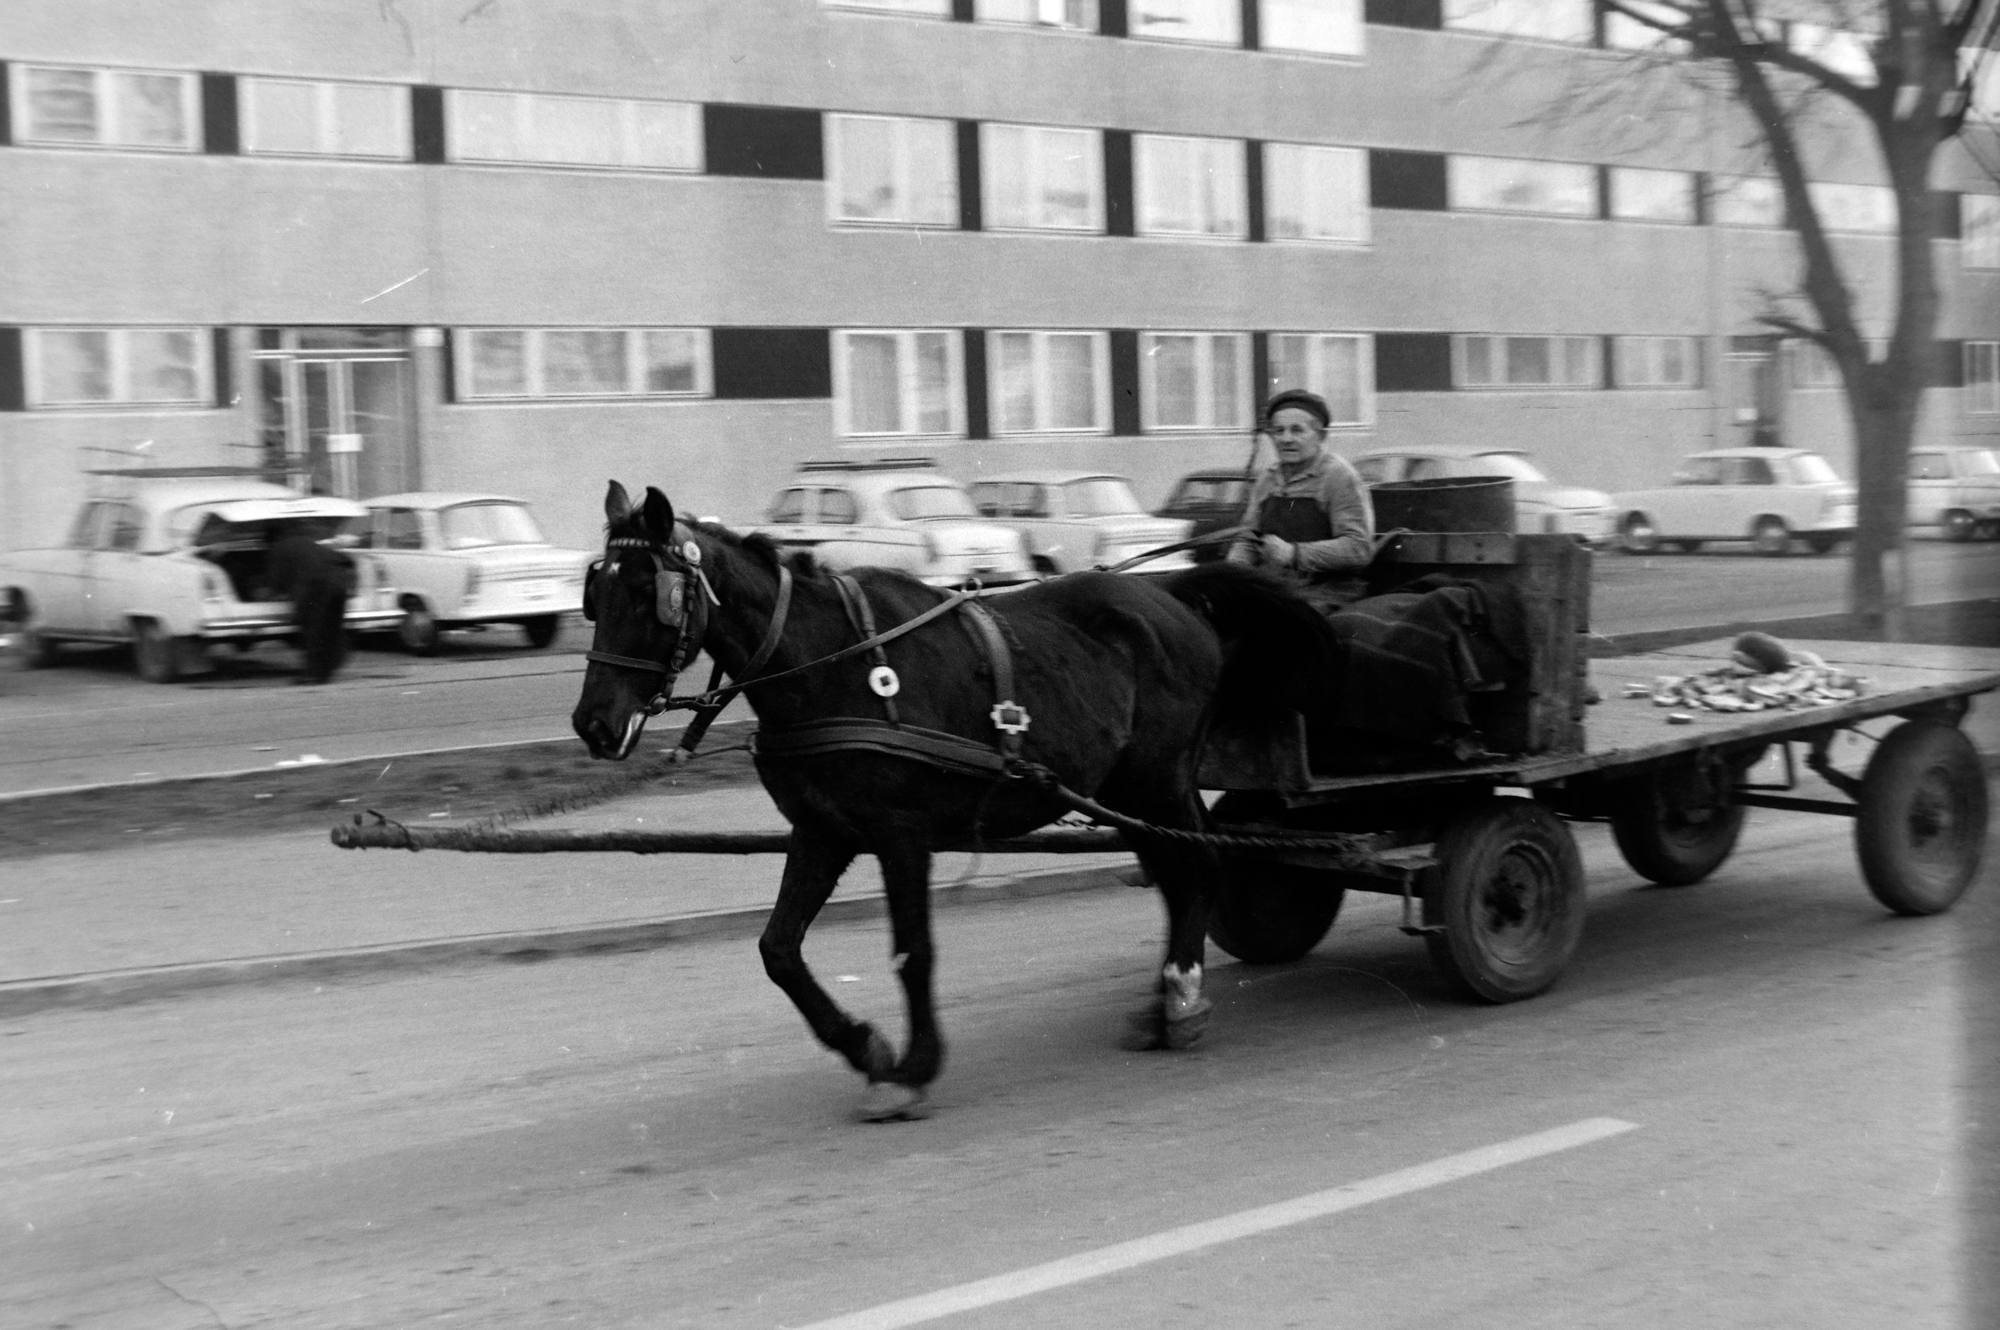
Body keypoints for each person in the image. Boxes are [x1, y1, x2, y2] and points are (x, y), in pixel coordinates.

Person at [1226, 388, 1375, 611]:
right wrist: (1231, 573)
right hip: (1276, 587)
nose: (1286, 439)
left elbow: (1358, 548)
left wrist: (1295, 554)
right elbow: (1248, 538)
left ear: (1320, 436)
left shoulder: (1339, 477)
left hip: (1329, 591)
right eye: (1278, 431)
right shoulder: (1268, 478)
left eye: (1297, 430)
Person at [263, 523, 356, 684]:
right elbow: (347, 560)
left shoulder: (278, 548)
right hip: (339, 584)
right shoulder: (307, 542)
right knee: (331, 628)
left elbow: (275, 582)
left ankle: (313, 675)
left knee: (313, 632)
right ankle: (326, 671)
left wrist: (270, 594)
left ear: (271, 540)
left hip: (316, 588)